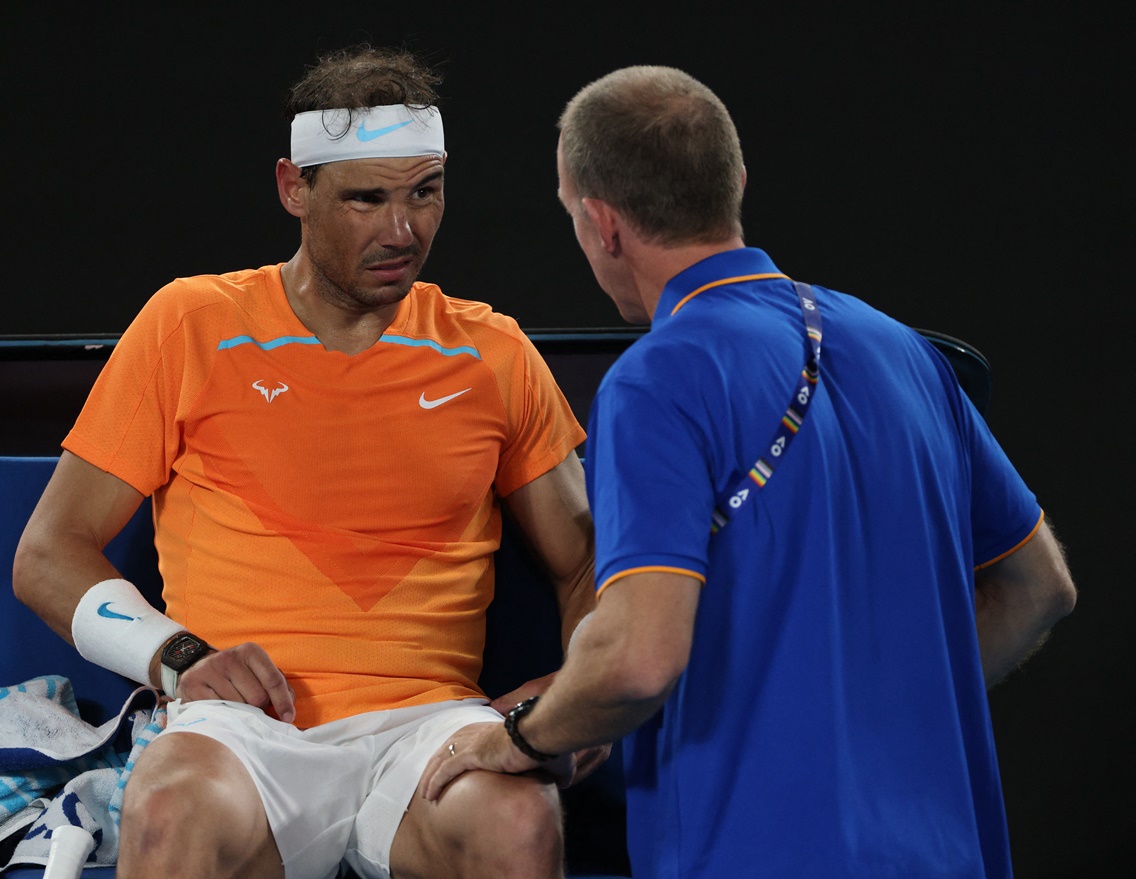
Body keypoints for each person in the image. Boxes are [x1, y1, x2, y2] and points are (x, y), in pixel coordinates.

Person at [420, 65, 1078, 878]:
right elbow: (1040, 586)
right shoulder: (906, 352)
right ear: (733, 180)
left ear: (602, 224)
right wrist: (886, 718)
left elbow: (637, 657)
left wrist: (516, 735)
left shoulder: (656, 377)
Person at [12, 45, 605, 879]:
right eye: (367, 198)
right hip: (245, 735)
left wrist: (568, 706)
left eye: (424, 193)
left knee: (519, 814)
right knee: (170, 801)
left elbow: (587, 564)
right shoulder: (189, 323)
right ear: (295, 189)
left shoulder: (494, 352)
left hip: (426, 727)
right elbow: (46, 555)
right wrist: (178, 657)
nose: (404, 231)